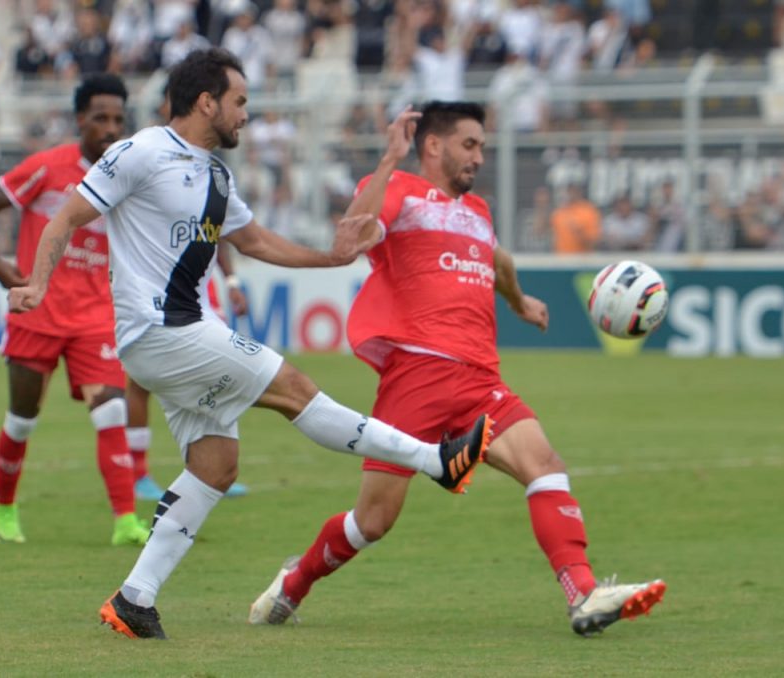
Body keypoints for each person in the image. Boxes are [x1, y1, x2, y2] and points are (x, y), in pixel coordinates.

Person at [7, 48, 491, 640]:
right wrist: (36, 283)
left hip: (177, 336)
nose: (246, 115)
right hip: (165, 330)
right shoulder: (141, 151)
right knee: (295, 391)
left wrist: (332, 258)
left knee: (215, 464)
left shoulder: (215, 174)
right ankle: (434, 460)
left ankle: (135, 598)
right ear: (206, 101)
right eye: (239, 102)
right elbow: (65, 217)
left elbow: (257, 240)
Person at [248, 101, 666, 637]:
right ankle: (293, 583)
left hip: (479, 381)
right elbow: (350, 241)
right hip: (416, 375)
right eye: (470, 145)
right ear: (433, 145)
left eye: (483, 147)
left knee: (546, 465)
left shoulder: (479, 211)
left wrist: (518, 301)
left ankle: (584, 594)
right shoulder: (398, 188)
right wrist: (387, 160)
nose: (479, 156)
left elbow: (499, 260)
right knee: (372, 522)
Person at [0, 73, 150, 548]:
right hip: (39, 311)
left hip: (95, 317)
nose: (111, 128)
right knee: (22, 419)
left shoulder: (131, 179)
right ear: (80, 120)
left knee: (112, 411)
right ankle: (4, 508)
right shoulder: (47, 168)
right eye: (100, 118)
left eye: (118, 119)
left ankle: (125, 522)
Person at [129, 244, 251, 501]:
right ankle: (137, 474)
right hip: (153, 291)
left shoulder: (212, 203)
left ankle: (210, 470)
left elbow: (221, 234)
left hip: (202, 295)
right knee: (139, 381)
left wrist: (231, 282)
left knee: (214, 378)